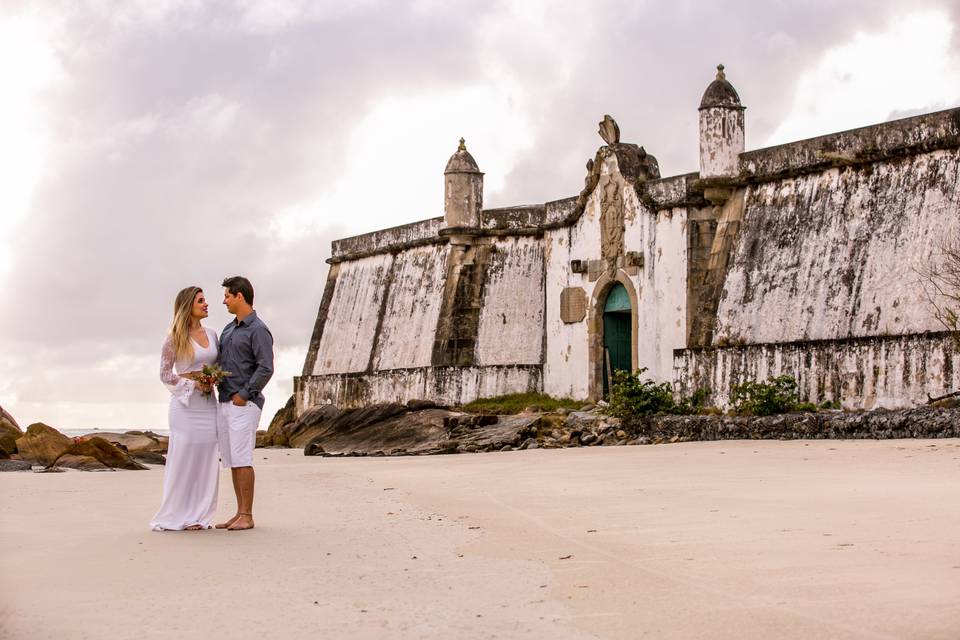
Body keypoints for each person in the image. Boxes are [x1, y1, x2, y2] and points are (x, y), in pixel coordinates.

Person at [150, 287, 220, 531]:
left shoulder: (212, 334)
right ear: (188, 305)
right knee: (185, 457)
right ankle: (179, 514)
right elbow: (165, 374)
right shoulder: (174, 337)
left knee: (207, 457)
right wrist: (192, 383)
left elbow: (218, 366)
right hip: (185, 407)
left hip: (210, 405)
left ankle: (200, 515)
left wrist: (213, 379)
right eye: (201, 301)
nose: (206, 304)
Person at [215, 275, 274, 531]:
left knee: (242, 458)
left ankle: (247, 515)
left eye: (227, 295)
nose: (224, 300)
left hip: (244, 403)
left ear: (240, 296)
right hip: (224, 401)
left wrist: (244, 394)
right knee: (231, 459)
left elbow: (265, 368)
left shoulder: (258, 329)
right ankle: (238, 512)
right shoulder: (228, 329)